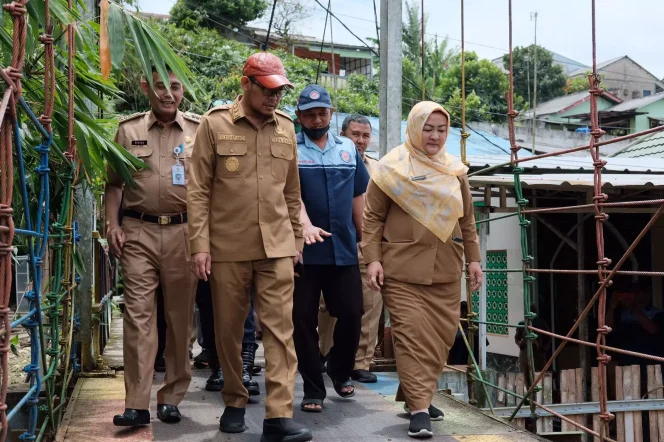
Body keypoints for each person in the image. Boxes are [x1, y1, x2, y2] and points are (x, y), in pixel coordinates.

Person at [187, 52, 312, 441]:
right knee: (228, 330)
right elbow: (197, 190)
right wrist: (199, 246)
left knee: (280, 331)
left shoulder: (286, 129)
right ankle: (235, 400)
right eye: (268, 91)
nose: (275, 98)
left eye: (280, 91)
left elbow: (292, 192)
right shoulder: (215, 123)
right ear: (246, 84)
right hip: (227, 246)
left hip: (276, 247)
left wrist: (295, 238)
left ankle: (278, 415)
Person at [363, 101, 483, 439]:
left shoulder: (454, 171)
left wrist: (473, 259)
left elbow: (467, 219)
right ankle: (418, 410)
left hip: (446, 268)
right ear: (415, 128)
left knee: (440, 339)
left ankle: (418, 394)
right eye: (427, 128)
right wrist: (372, 258)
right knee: (411, 335)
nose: (434, 135)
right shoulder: (391, 168)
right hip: (401, 268)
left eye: (441, 129)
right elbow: (372, 217)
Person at [105, 67, 199, 426]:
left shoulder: (199, 130)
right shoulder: (128, 130)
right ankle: (137, 403)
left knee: (179, 319)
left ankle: (172, 396)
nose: (168, 93)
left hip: (184, 233)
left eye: (175, 87)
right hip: (138, 232)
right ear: (146, 86)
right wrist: (111, 224)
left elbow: (209, 188)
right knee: (138, 318)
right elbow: (114, 185)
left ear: (182, 90)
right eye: (160, 86)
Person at [293, 86, 370, 412]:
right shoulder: (290, 150)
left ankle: (339, 370)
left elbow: (357, 197)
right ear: (300, 117)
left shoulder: (348, 149)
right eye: (309, 114)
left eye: (322, 113)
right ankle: (313, 387)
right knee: (301, 320)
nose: (316, 119)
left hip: (342, 249)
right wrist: (300, 231)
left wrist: (366, 239)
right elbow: (288, 195)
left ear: (331, 112)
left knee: (353, 312)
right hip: (303, 252)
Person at [318, 114, 381, 383]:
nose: (360, 140)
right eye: (355, 134)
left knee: (371, 303)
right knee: (328, 306)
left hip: (367, 244)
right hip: (334, 243)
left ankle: (360, 362)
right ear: (342, 134)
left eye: (365, 136)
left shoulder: (379, 170)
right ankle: (325, 353)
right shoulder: (328, 159)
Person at [607, 281, 664, 366]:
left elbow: (652, 329)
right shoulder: (622, 313)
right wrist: (611, 307)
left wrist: (633, 308)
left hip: (650, 362)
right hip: (626, 360)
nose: (633, 295)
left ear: (648, 294)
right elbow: (609, 327)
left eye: (636, 292)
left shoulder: (657, 313)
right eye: (631, 292)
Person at [514, 303, 550, 389]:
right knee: (525, 377)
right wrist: (521, 344)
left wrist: (543, 348)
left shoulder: (541, 323)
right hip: (525, 354)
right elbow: (517, 339)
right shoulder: (522, 324)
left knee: (538, 375)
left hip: (538, 355)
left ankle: (538, 396)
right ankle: (527, 396)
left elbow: (548, 338)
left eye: (533, 311)